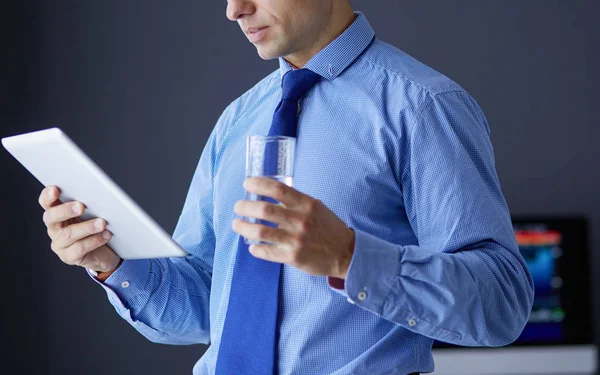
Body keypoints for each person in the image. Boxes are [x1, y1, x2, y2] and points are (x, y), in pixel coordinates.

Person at [37, 1, 535, 374]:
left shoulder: (423, 106)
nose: (235, 10)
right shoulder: (238, 119)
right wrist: (110, 261)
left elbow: (501, 304)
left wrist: (348, 256)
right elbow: (208, 309)